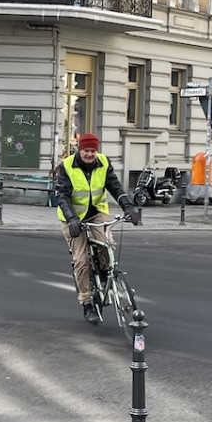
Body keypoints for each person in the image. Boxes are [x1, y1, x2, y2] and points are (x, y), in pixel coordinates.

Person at [55, 133, 139, 325]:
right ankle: (86, 303)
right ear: (80, 150)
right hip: (73, 217)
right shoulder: (66, 165)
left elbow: (115, 186)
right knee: (81, 260)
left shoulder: (103, 162)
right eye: (86, 151)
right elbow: (62, 196)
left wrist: (128, 206)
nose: (90, 154)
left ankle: (103, 271)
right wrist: (72, 219)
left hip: (97, 213)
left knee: (108, 244)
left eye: (93, 151)